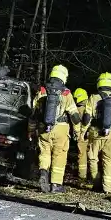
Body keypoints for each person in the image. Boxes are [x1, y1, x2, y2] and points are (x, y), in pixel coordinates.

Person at [31, 64, 80, 193]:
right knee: (59, 155)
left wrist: (30, 130)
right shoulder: (66, 93)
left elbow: (34, 113)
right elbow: (74, 116)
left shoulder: (42, 90)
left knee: (44, 153)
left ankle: (43, 173)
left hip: (43, 128)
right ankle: (56, 185)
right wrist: (77, 131)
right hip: (61, 129)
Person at [85, 73, 111, 194]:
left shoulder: (93, 97)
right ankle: (107, 188)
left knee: (93, 157)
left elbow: (87, 117)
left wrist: (83, 132)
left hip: (95, 132)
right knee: (110, 160)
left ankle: (96, 184)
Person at [71, 87, 91, 186]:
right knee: (93, 156)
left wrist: (78, 134)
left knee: (82, 156)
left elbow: (76, 123)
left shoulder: (78, 109)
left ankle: (82, 177)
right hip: (94, 135)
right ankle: (94, 177)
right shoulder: (92, 105)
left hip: (82, 136)